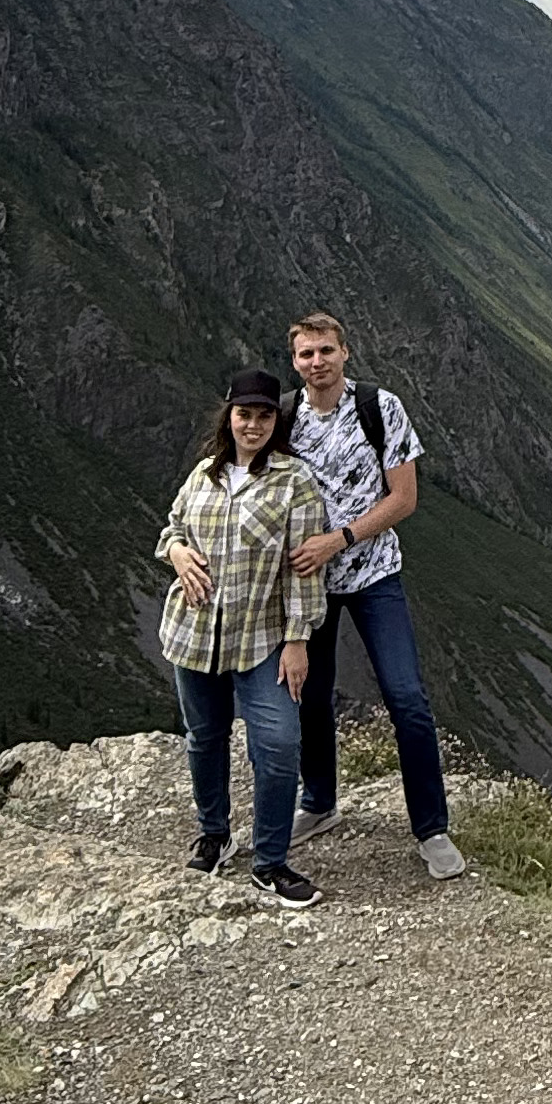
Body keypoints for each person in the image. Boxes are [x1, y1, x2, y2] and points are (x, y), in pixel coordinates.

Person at [284, 309, 466, 876]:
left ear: (345, 353)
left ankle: (431, 829)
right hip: (309, 582)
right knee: (311, 695)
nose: (317, 361)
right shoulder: (284, 418)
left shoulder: (379, 408)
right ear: (295, 361)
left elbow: (403, 498)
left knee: (406, 697)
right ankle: (319, 802)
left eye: (326, 351)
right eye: (307, 353)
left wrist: (339, 539)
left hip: (374, 574)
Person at [157, 366, 329, 902]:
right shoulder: (203, 474)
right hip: (195, 632)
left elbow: (304, 567)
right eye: (244, 414)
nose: (252, 425)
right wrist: (176, 552)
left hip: (262, 638)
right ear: (228, 417)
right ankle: (215, 835)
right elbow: (173, 527)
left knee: (278, 743)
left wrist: (298, 639)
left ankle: (270, 861)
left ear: (276, 421)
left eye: (263, 416)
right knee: (204, 737)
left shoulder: (295, 481)